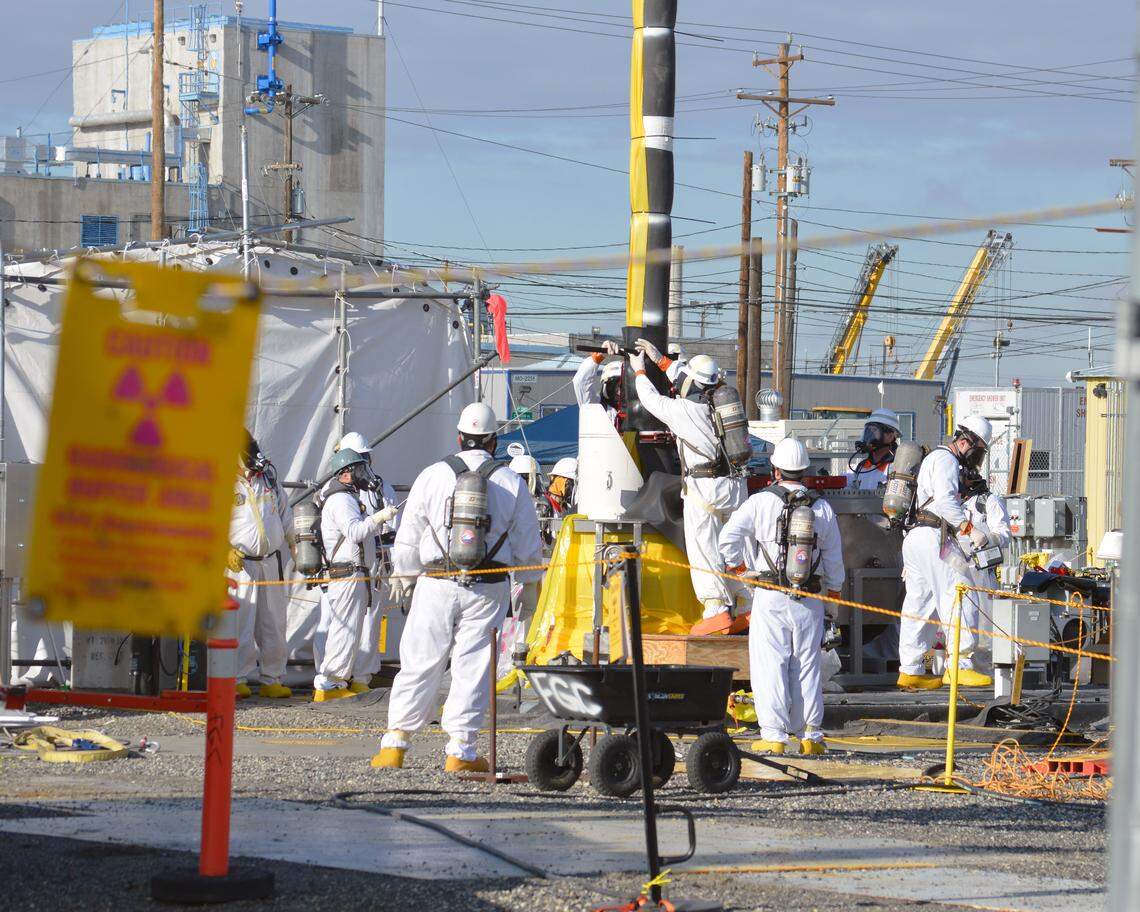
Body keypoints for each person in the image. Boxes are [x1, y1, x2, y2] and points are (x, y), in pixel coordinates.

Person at [373, 403, 543, 772]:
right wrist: (530, 584)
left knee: (419, 660)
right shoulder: (510, 481)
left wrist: (404, 575)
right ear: (494, 440)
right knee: (473, 667)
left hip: (435, 582)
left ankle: (395, 744)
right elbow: (528, 544)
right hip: (488, 586)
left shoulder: (432, 475)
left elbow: (409, 534)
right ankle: (461, 752)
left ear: (459, 438)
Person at [719, 437, 845, 755]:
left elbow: (728, 538)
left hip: (770, 595)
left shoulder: (761, 502)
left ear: (775, 470)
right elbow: (834, 558)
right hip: (810, 598)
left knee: (770, 664)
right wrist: (834, 593)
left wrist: (739, 568)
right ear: (805, 471)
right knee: (807, 665)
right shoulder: (822, 507)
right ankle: (811, 735)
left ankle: (774, 735)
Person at [628, 345, 748, 635]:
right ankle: (746, 606)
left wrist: (640, 371)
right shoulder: (721, 405)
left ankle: (716, 611)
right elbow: (685, 378)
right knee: (735, 550)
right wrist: (661, 360)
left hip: (704, 490)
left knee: (704, 550)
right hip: (735, 486)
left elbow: (650, 399)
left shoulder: (683, 410)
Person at [897, 415, 995, 690]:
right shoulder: (947, 461)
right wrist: (969, 529)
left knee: (919, 604)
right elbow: (945, 501)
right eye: (978, 451)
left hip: (916, 537)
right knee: (961, 591)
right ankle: (960, 666)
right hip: (934, 537)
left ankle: (910, 670)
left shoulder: (933, 459)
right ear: (967, 443)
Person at [313, 448, 398, 701]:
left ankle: (336, 682)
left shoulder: (348, 498)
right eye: (359, 469)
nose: (364, 474)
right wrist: (379, 517)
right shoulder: (341, 500)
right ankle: (329, 683)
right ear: (346, 474)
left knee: (350, 631)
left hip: (355, 575)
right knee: (344, 631)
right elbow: (355, 532)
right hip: (347, 575)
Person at [227, 431, 294, 699]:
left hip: (270, 563)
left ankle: (272, 678)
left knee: (274, 623)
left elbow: (285, 514)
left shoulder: (268, 479)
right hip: (240, 565)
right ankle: (236, 678)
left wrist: (296, 546)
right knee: (240, 622)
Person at [337, 431, 399, 692]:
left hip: (376, 561)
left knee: (372, 620)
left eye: (365, 458)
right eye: (359, 458)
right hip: (346, 563)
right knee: (339, 623)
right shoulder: (337, 492)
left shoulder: (381, 488)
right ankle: (335, 676)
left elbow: (393, 529)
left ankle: (362, 676)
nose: (365, 464)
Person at [957, 468, 1012, 665]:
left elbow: (1004, 534)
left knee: (984, 623)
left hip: (981, 572)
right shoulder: (951, 503)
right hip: (955, 568)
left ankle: (983, 665)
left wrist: (986, 538)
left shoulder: (988, 502)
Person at [846, 408, 901, 491]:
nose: (869, 434)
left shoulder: (896, 467)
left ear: (890, 436)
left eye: (874, 430)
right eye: (868, 430)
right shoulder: (860, 467)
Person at [573, 340, 623, 424]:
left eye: (623, 386)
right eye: (617, 386)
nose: (620, 391)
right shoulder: (598, 409)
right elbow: (580, 382)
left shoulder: (636, 409)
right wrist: (598, 357)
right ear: (606, 387)